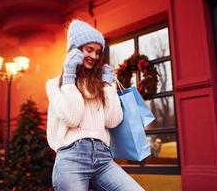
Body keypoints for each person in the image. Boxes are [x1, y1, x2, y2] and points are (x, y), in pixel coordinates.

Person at [46, 19, 145, 191]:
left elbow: (113, 120)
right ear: (74, 51)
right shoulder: (55, 84)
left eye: (98, 52)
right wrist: (69, 77)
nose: (94, 56)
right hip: (71, 159)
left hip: (103, 158)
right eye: (88, 50)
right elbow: (73, 118)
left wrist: (107, 86)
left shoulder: (101, 85)